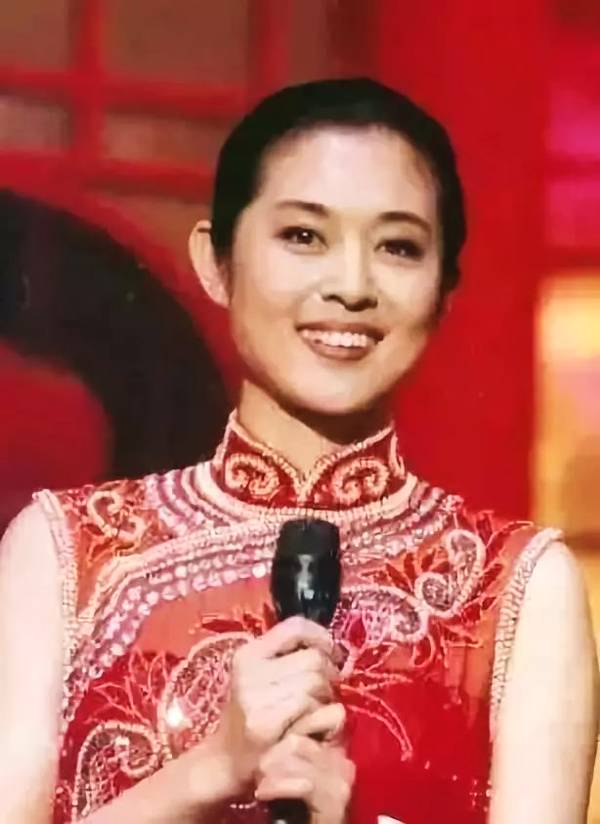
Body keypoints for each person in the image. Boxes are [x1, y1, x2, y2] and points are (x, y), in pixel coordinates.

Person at [0, 78, 597, 824]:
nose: (351, 286)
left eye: (398, 247)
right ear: (216, 262)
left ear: (445, 291)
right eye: (304, 237)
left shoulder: (517, 589)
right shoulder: (66, 553)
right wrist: (210, 771)